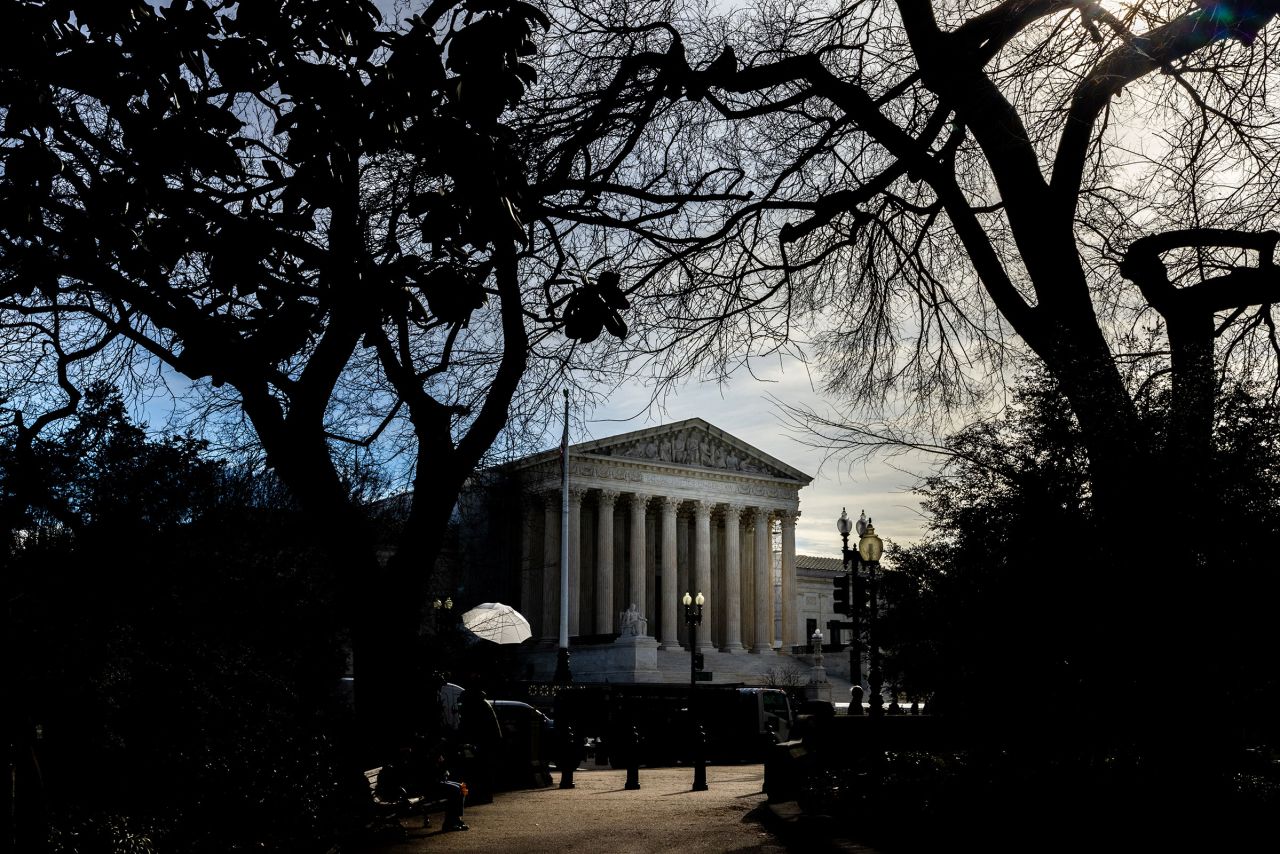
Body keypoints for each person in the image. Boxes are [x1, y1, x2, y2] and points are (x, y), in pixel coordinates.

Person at [458, 686, 503, 804]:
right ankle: (485, 795)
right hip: (490, 740)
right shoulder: (482, 703)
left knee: (482, 768)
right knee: (486, 769)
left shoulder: (477, 706)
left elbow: (472, 725)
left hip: (487, 741)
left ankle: (482, 795)